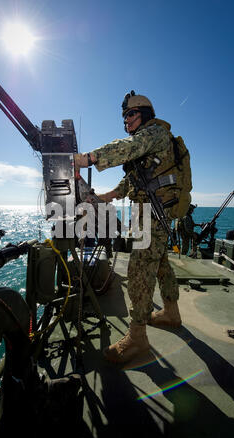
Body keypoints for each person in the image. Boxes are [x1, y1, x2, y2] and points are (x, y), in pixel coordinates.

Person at [74, 91, 183, 364]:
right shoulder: (145, 150)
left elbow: (126, 147)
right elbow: (126, 186)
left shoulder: (154, 133)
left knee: (138, 271)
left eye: (131, 115)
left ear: (144, 115)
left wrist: (86, 158)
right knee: (160, 264)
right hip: (150, 212)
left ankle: (137, 339)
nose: (127, 121)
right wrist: (100, 198)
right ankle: (171, 312)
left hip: (151, 214)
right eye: (124, 117)